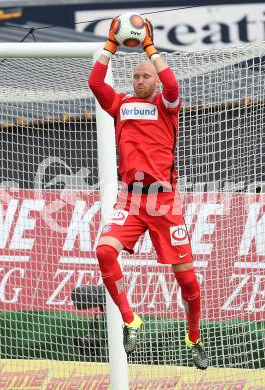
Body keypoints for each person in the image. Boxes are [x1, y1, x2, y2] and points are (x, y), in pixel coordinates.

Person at [88, 16, 209, 370]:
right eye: (137, 76)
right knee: (104, 252)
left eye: (146, 76)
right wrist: (110, 45)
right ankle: (131, 320)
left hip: (164, 202)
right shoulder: (121, 104)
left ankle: (194, 337)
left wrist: (149, 47)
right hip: (131, 199)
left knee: (187, 280)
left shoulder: (166, 106)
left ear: (154, 81)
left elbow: (172, 84)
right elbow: (95, 82)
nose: (140, 80)